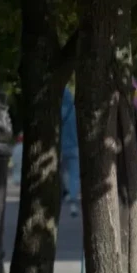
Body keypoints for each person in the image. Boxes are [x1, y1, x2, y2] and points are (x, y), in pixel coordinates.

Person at [61, 86, 80, 217]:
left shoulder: (58, 111)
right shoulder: (75, 112)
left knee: (62, 172)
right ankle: (73, 195)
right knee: (74, 174)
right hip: (74, 147)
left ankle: (65, 191)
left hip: (60, 148)